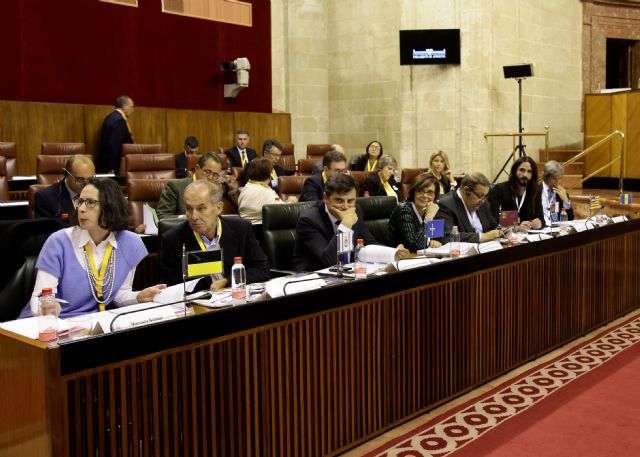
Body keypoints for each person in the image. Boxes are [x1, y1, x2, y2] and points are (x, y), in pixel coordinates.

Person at [20, 178, 165, 318]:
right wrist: (47, 307)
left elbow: (119, 294)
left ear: (110, 206)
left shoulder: (131, 243)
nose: (81, 209)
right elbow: (39, 299)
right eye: (80, 201)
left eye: (90, 203)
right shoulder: (58, 242)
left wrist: (138, 297)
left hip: (93, 323)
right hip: (53, 323)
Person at [159, 180, 270, 289]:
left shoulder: (241, 229)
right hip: (197, 304)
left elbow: (262, 269)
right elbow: (170, 287)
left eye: (201, 208)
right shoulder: (172, 240)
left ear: (219, 208)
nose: (194, 216)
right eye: (189, 209)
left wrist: (227, 281)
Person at [293, 174, 410, 272]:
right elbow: (329, 261)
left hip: (346, 273)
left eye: (350, 201)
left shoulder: (356, 209)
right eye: (339, 200)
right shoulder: (309, 219)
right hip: (313, 280)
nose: (345, 206)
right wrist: (345, 225)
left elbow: (369, 242)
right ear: (326, 198)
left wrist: (393, 253)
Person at [156, 152, 239, 220]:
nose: (210, 177)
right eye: (207, 172)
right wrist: (185, 217)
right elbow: (162, 216)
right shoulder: (175, 186)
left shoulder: (216, 189)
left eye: (214, 174)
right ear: (197, 168)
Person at [435, 172, 501, 243]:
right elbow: (447, 236)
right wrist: (482, 237)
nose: (483, 200)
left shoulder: (483, 202)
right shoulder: (445, 204)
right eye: (480, 196)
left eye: (485, 196)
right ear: (466, 190)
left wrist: (501, 230)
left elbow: (492, 225)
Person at [388, 172, 442, 251]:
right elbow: (415, 246)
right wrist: (429, 218)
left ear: (435, 195)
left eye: (430, 192)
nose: (425, 196)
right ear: (413, 192)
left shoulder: (431, 208)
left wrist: (436, 241)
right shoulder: (404, 210)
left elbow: (444, 236)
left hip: (424, 258)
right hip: (401, 259)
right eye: (420, 191)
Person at [489, 156, 543, 231]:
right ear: (514, 171)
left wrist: (539, 223)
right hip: (506, 237)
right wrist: (516, 228)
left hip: (528, 236)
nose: (525, 175)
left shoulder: (534, 192)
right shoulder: (499, 189)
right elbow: (493, 221)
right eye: (522, 170)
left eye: (529, 171)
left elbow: (541, 219)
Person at [33, 154, 95, 220]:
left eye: (90, 179)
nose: (86, 184)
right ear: (66, 174)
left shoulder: (98, 193)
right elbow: (46, 229)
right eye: (79, 179)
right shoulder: (45, 198)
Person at [238, 158, 286, 224]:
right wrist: (291, 201)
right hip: (261, 230)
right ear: (268, 176)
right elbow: (284, 210)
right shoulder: (267, 192)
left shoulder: (244, 190)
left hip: (246, 229)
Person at [98, 95, 135, 174]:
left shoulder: (110, 117)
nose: (133, 110)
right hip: (115, 166)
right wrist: (112, 168)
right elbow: (114, 146)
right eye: (131, 107)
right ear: (124, 106)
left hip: (106, 164)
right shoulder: (119, 120)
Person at [535, 160, 574, 226]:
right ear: (545, 177)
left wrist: (566, 201)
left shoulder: (562, 193)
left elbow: (571, 218)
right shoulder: (535, 192)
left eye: (560, 178)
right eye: (554, 179)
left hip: (558, 229)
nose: (558, 182)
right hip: (542, 229)